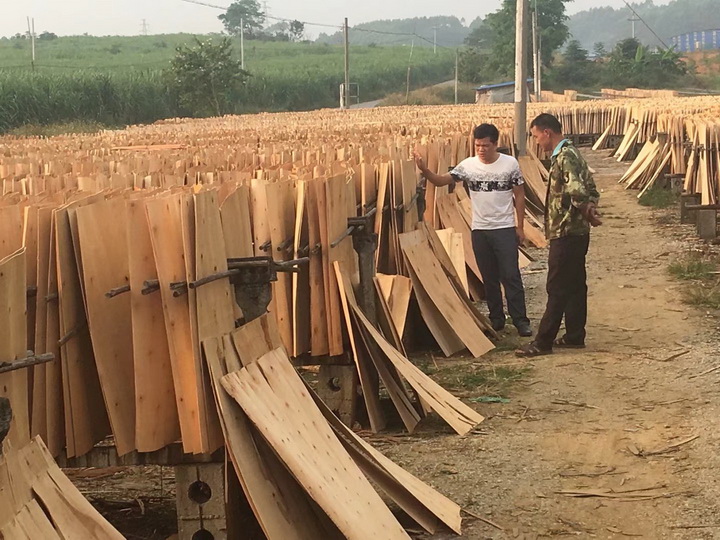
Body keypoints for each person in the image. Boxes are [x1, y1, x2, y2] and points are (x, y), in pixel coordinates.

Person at [414, 123, 532, 337]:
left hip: (504, 228)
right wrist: (425, 170)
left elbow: (520, 194)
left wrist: (520, 226)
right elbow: (441, 181)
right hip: (480, 229)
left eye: (485, 146)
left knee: (511, 275)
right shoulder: (468, 166)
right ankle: (497, 319)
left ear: (495, 144)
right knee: (489, 277)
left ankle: (521, 320)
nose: (481, 150)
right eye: (477, 145)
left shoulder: (509, 164)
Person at [516, 113, 602, 357]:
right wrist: (590, 209)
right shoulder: (573, 154)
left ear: (547, 133)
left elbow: (577, 192)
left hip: (566, 232)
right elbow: (591, 188)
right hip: (576, 232)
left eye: (536, 137)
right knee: (575, 285)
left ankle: (543, 341)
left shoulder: (564, 157)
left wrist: (588, 212)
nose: (537, 143)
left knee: (556, 286)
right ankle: (575, 335)